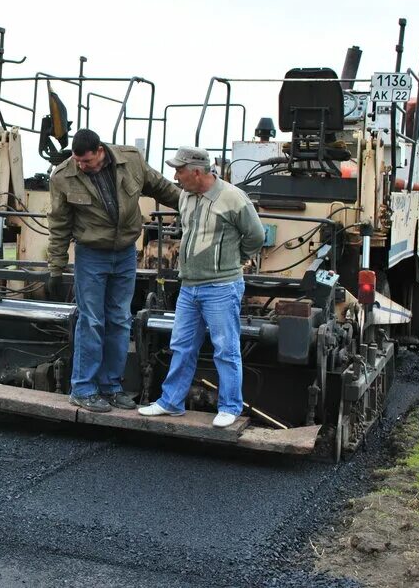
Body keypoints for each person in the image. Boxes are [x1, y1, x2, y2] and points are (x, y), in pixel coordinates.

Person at [47, 129, 180, 412]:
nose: (82, 166)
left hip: (125, 254)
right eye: (78, 161)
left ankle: (111, 387)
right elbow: (59, 224)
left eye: (87, 161)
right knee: (92, 320)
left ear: (99, 151)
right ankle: (82, 389)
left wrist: (195, 203)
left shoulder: (131, 161)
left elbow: (162, 187)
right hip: (91, 255)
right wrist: (55, 267)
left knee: (120, 319)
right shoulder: (63, 176)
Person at [138, 146, 265, 427]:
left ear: (197, 171)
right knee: (181, 345)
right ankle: (171, 402)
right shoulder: (186, 195)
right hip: (189, 286)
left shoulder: (233, 197)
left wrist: (234, 261)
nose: (175, 175)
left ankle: (230, 407)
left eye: (179, 170)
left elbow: (256, 236)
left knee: (225, 348)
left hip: (221, 287)